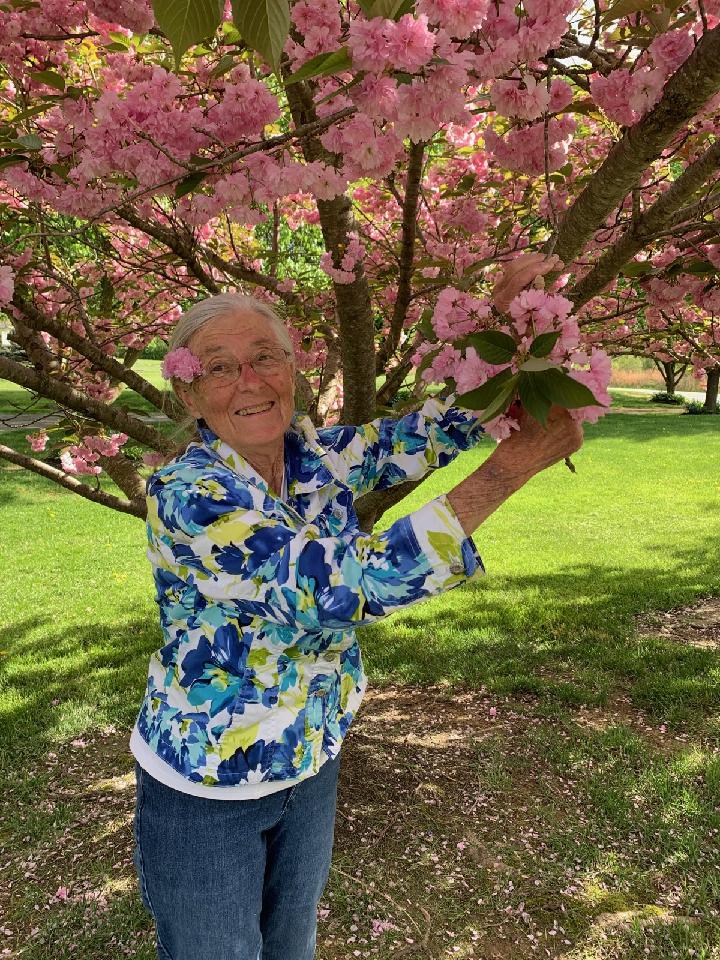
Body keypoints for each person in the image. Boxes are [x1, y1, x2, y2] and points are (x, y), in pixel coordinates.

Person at [131, 255, 582, 960]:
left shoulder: (315, 458)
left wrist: (502, 328)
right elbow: (342, 587)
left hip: (309, 754)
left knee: (291, 948)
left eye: (264, 358)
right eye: (219, 367)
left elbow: (428, 432)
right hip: (208, 785)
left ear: (292, 370)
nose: (248, 381)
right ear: (191, 396)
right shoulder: (187, 494)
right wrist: (506, 473)